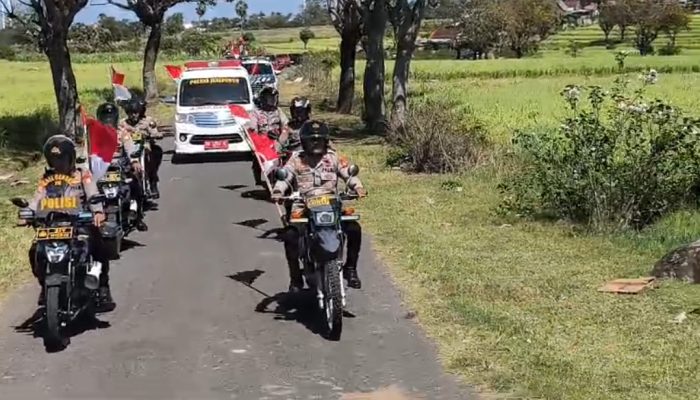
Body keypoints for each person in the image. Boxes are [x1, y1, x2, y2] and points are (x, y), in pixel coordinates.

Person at [21, 134, 115, 311]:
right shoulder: (47, 178)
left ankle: (103, 287)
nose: (58, 163)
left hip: (79, 224)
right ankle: (45, 285)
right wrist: (28, 214)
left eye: (62, 158)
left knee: (98, 246)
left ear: (71, 157)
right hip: (52, 225)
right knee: (35, 251)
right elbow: (37, 198)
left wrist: (97, 212)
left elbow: (92, 193)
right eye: (54, 159)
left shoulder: (82, 174)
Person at [271, 120, 367, 292]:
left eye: (319, 140)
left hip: (331, 205)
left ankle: (351, 269)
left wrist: (358, 187)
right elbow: (285, 177)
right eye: (311, 140)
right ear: (304, 141)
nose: (315, 143)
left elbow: (349, 174)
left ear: (325, 140)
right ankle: (295, 278)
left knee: (354, 229)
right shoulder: (296, 159)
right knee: (290, 236)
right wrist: (278, 191)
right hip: (303, 205)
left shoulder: (334, 157)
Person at [100, 101, 148, 232]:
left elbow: (129, 146)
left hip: (120, 166)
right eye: (105, 117)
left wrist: (134, 161)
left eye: (110, 117)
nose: (108, 120)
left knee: (136, 185)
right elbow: (86, 151)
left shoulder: (122, 132)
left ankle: (137, 217)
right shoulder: (93, 134)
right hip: (101, 168)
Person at [121, 97, 163, 199]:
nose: (133, 115)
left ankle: (152, 181)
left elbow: (154, 132)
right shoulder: (122, 123)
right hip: (128, 148)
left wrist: (156, 135)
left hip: (144, 147)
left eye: (135, 112)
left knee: (154, 153)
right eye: (131, 113)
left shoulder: (147, 121)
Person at [247, 85, 289, 187]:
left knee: (286, 154)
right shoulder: (256, 112)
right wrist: (257, 135)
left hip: (277, 140)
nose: (273, 101)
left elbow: (286, 125)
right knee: (257, 157)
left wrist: (281, 138)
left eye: (274, 98)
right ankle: (258, 179)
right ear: (263, 99)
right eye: (270, 98)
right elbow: (252, 128)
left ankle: (284, 174)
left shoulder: (278, 111)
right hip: (262, 141)